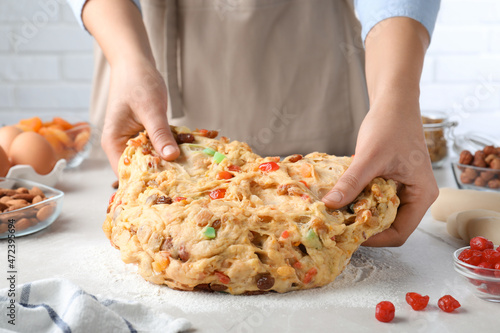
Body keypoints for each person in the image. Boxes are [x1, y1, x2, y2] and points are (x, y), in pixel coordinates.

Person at [69, 0, 440, 247]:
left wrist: (398, 98)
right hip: (133, 41)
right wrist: (127, 58)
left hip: (302, 53)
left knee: (338, 205)